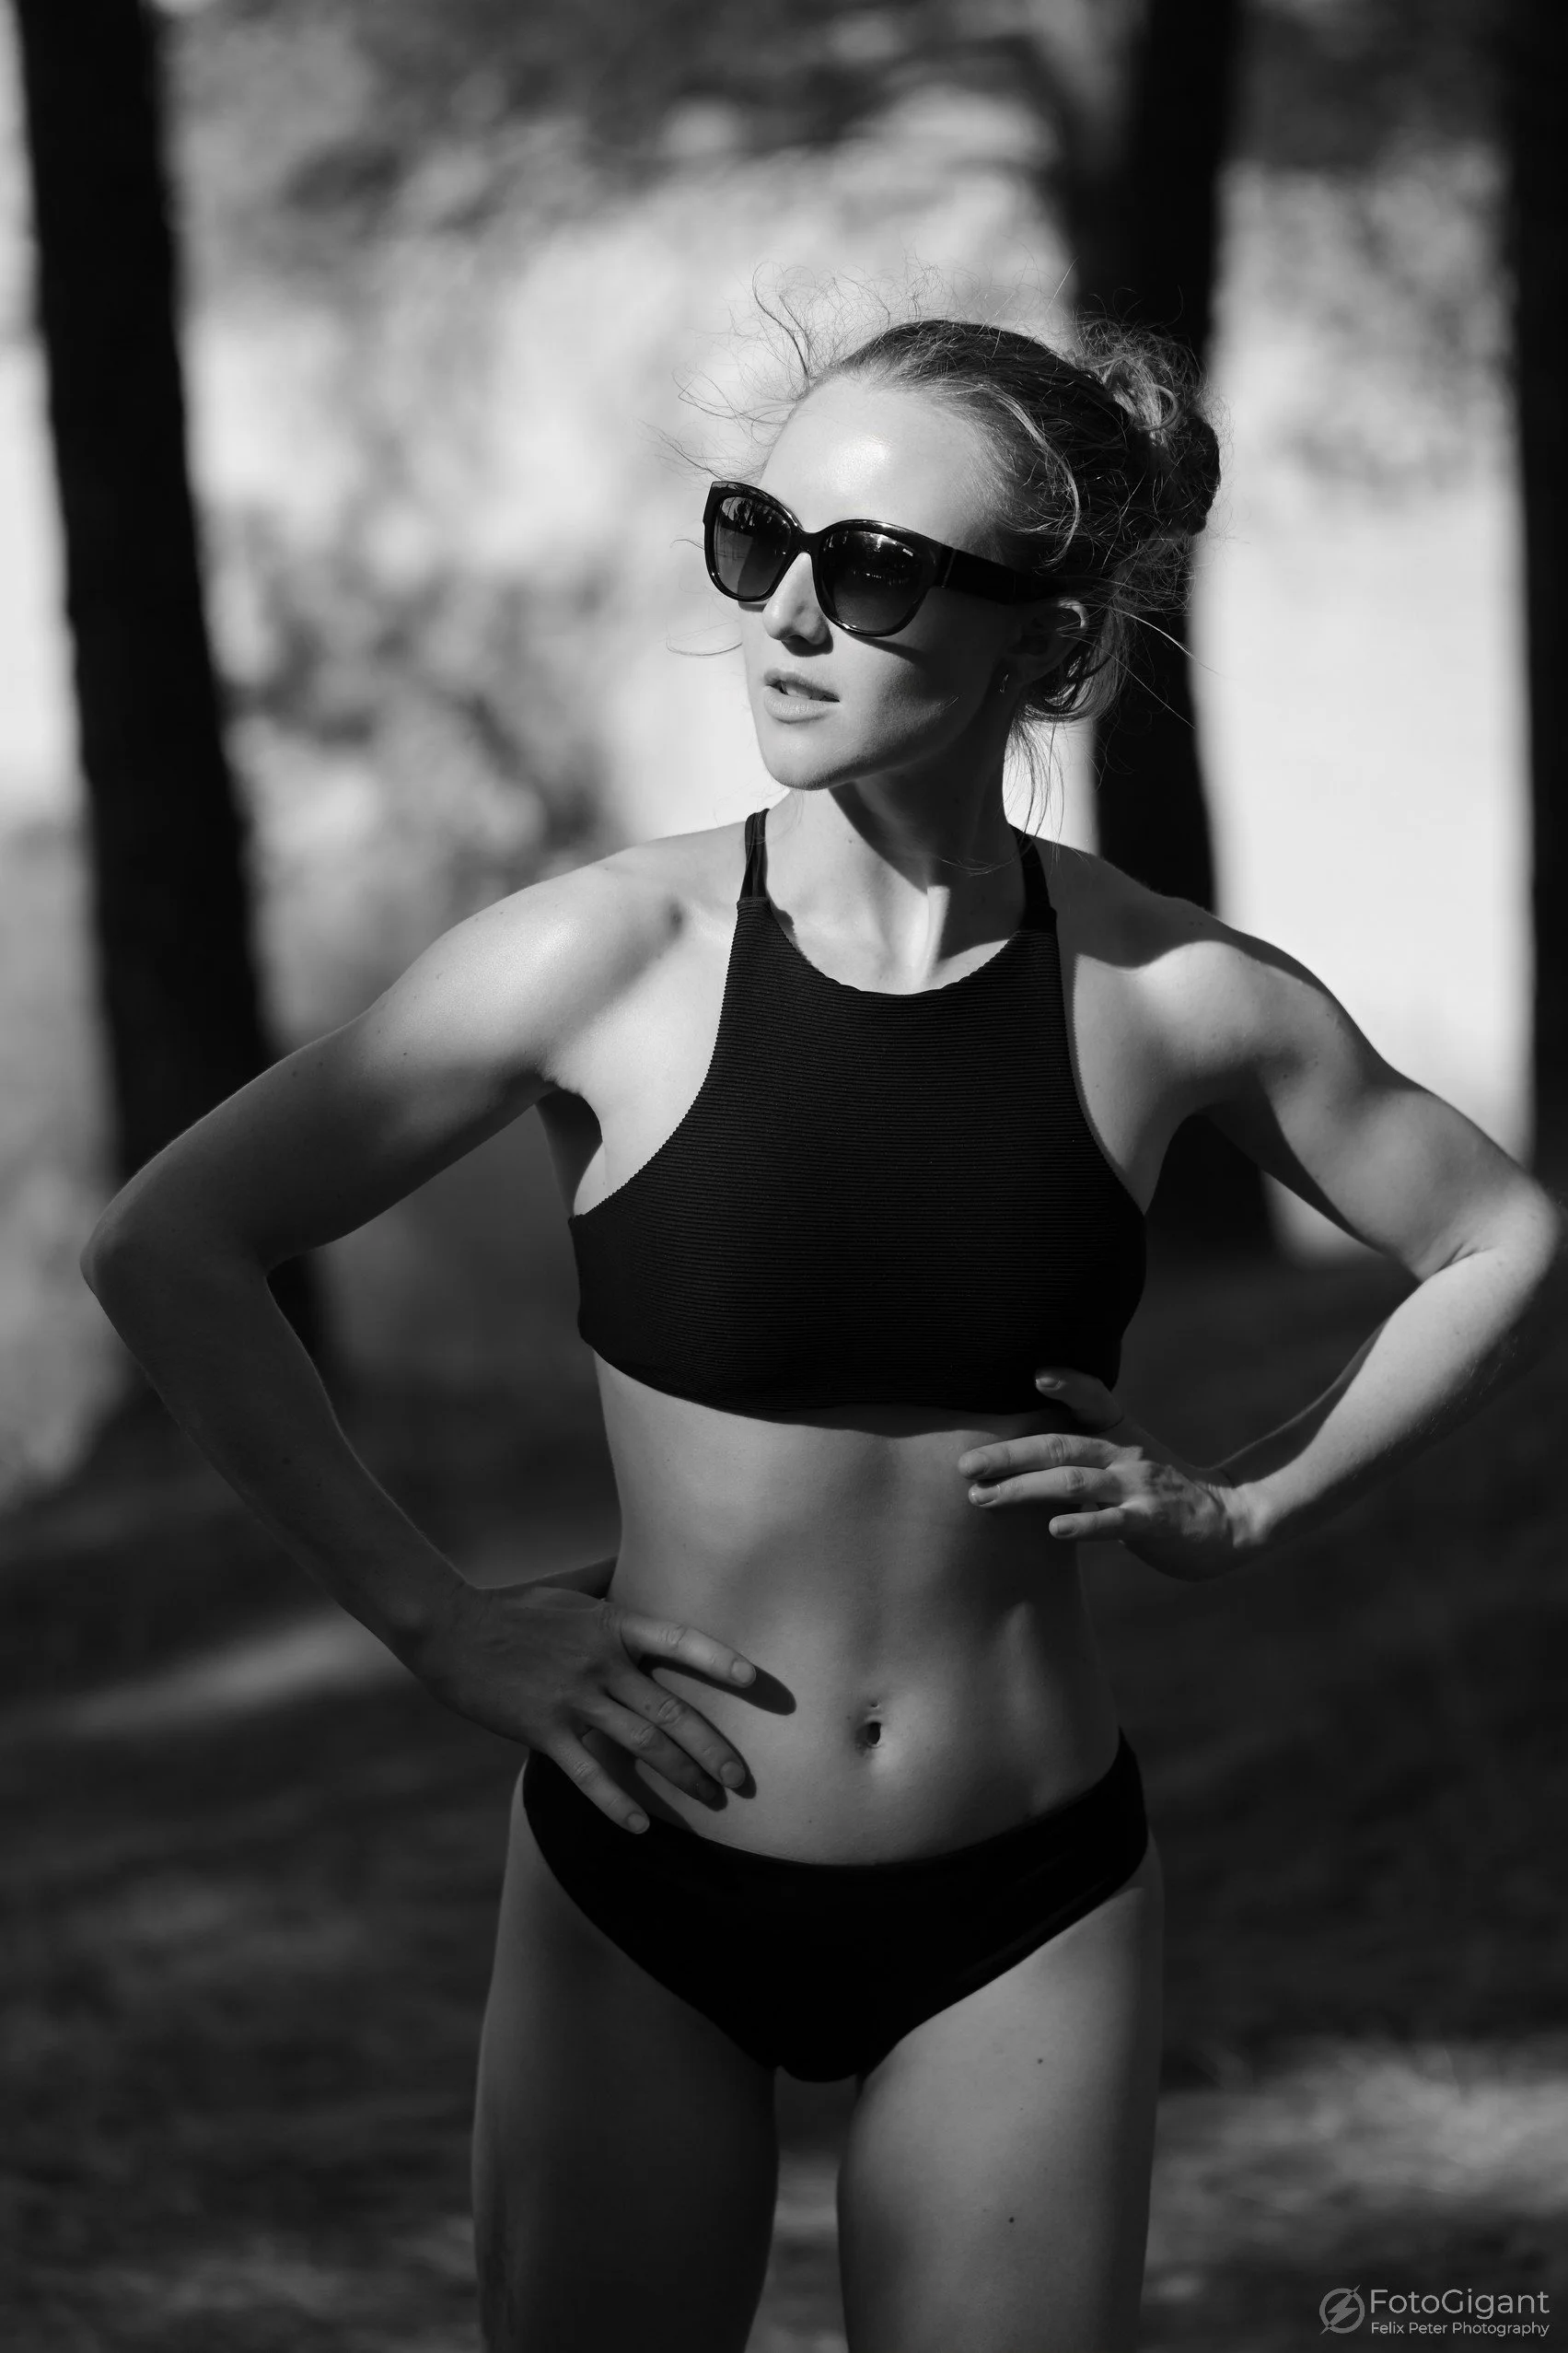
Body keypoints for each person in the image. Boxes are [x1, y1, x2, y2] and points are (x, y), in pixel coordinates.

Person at [81, 307, 1561, 2353]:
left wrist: (1243, 1504)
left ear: (1044, 640)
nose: (783, 612)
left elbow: (1496, 1236)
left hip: (1024, 1899)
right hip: (644, 1876)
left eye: (869, 569)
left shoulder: (1175, 995)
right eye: (756, 535)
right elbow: (172, 1242)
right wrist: (435, 1620)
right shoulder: (604, 951)